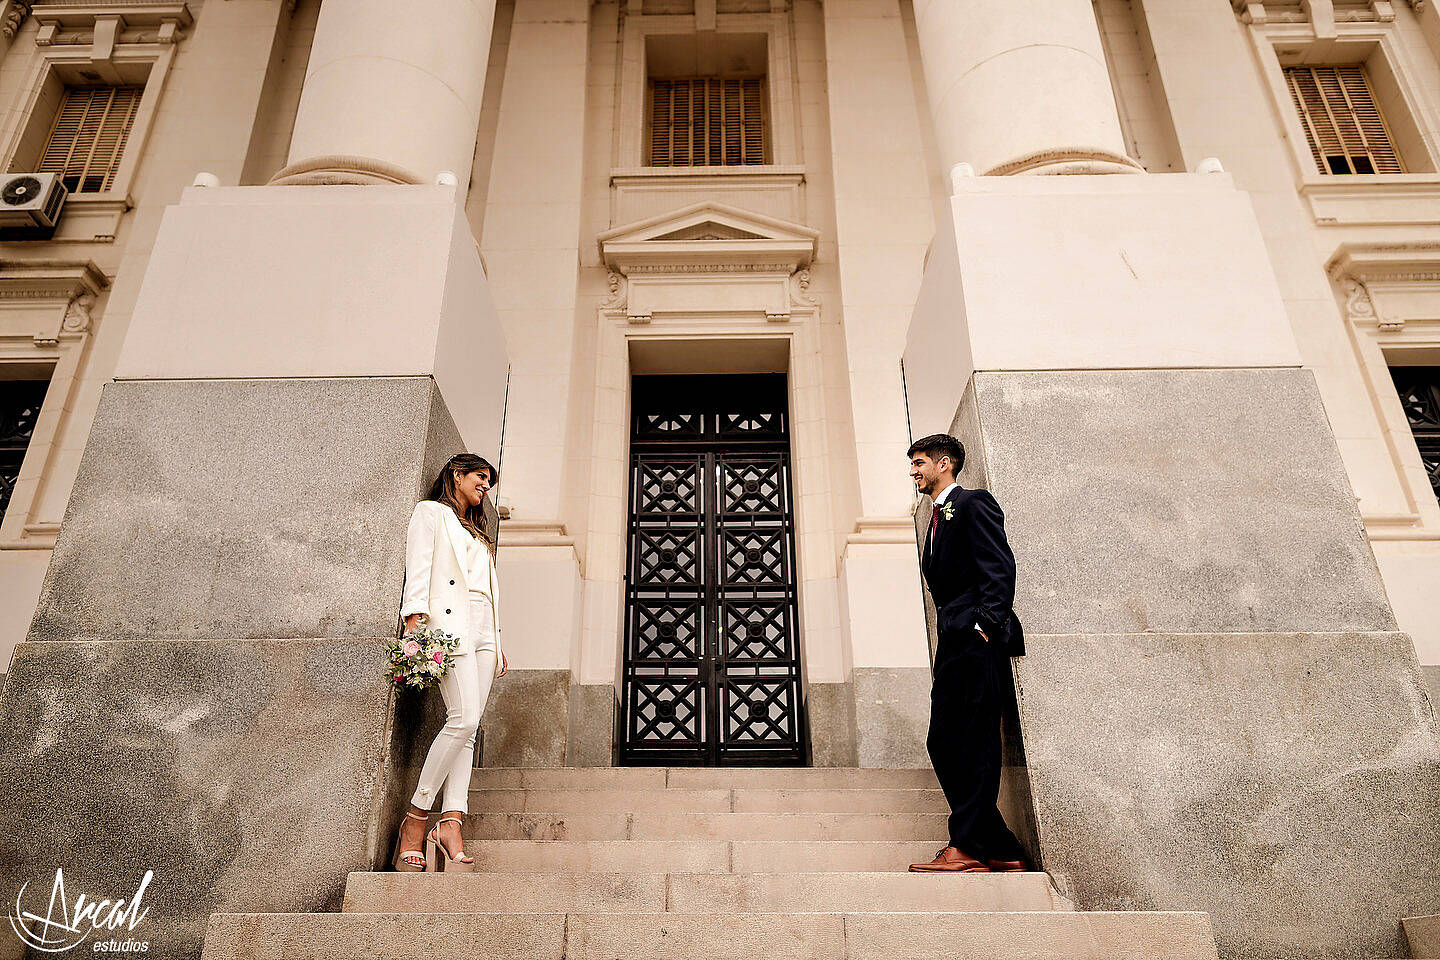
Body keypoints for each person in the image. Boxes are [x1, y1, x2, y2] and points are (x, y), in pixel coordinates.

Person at [905, 433, 1029, 873]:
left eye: (920, 462)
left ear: (945, 463)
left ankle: (966, 848)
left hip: (978, 643)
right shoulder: (933, 519)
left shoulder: (974, 503)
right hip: (954, 646)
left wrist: (984, 626)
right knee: (942, 740)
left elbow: (999, 566)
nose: (915, 471)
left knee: (975, 742)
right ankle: (1000, 847)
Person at [390, 453, 507, 873]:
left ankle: (452, 821)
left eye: (488, 482)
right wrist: (414, 620)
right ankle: (417, 818)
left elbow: (487, 590)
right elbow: (418, 566)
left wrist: (496, 638)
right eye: (480, 477)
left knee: (470, 730)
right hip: (448, 625)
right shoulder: (431, 514)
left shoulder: (478, 532)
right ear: (457, 475)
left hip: (483, 633)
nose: (485, 487)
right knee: (463, 719)